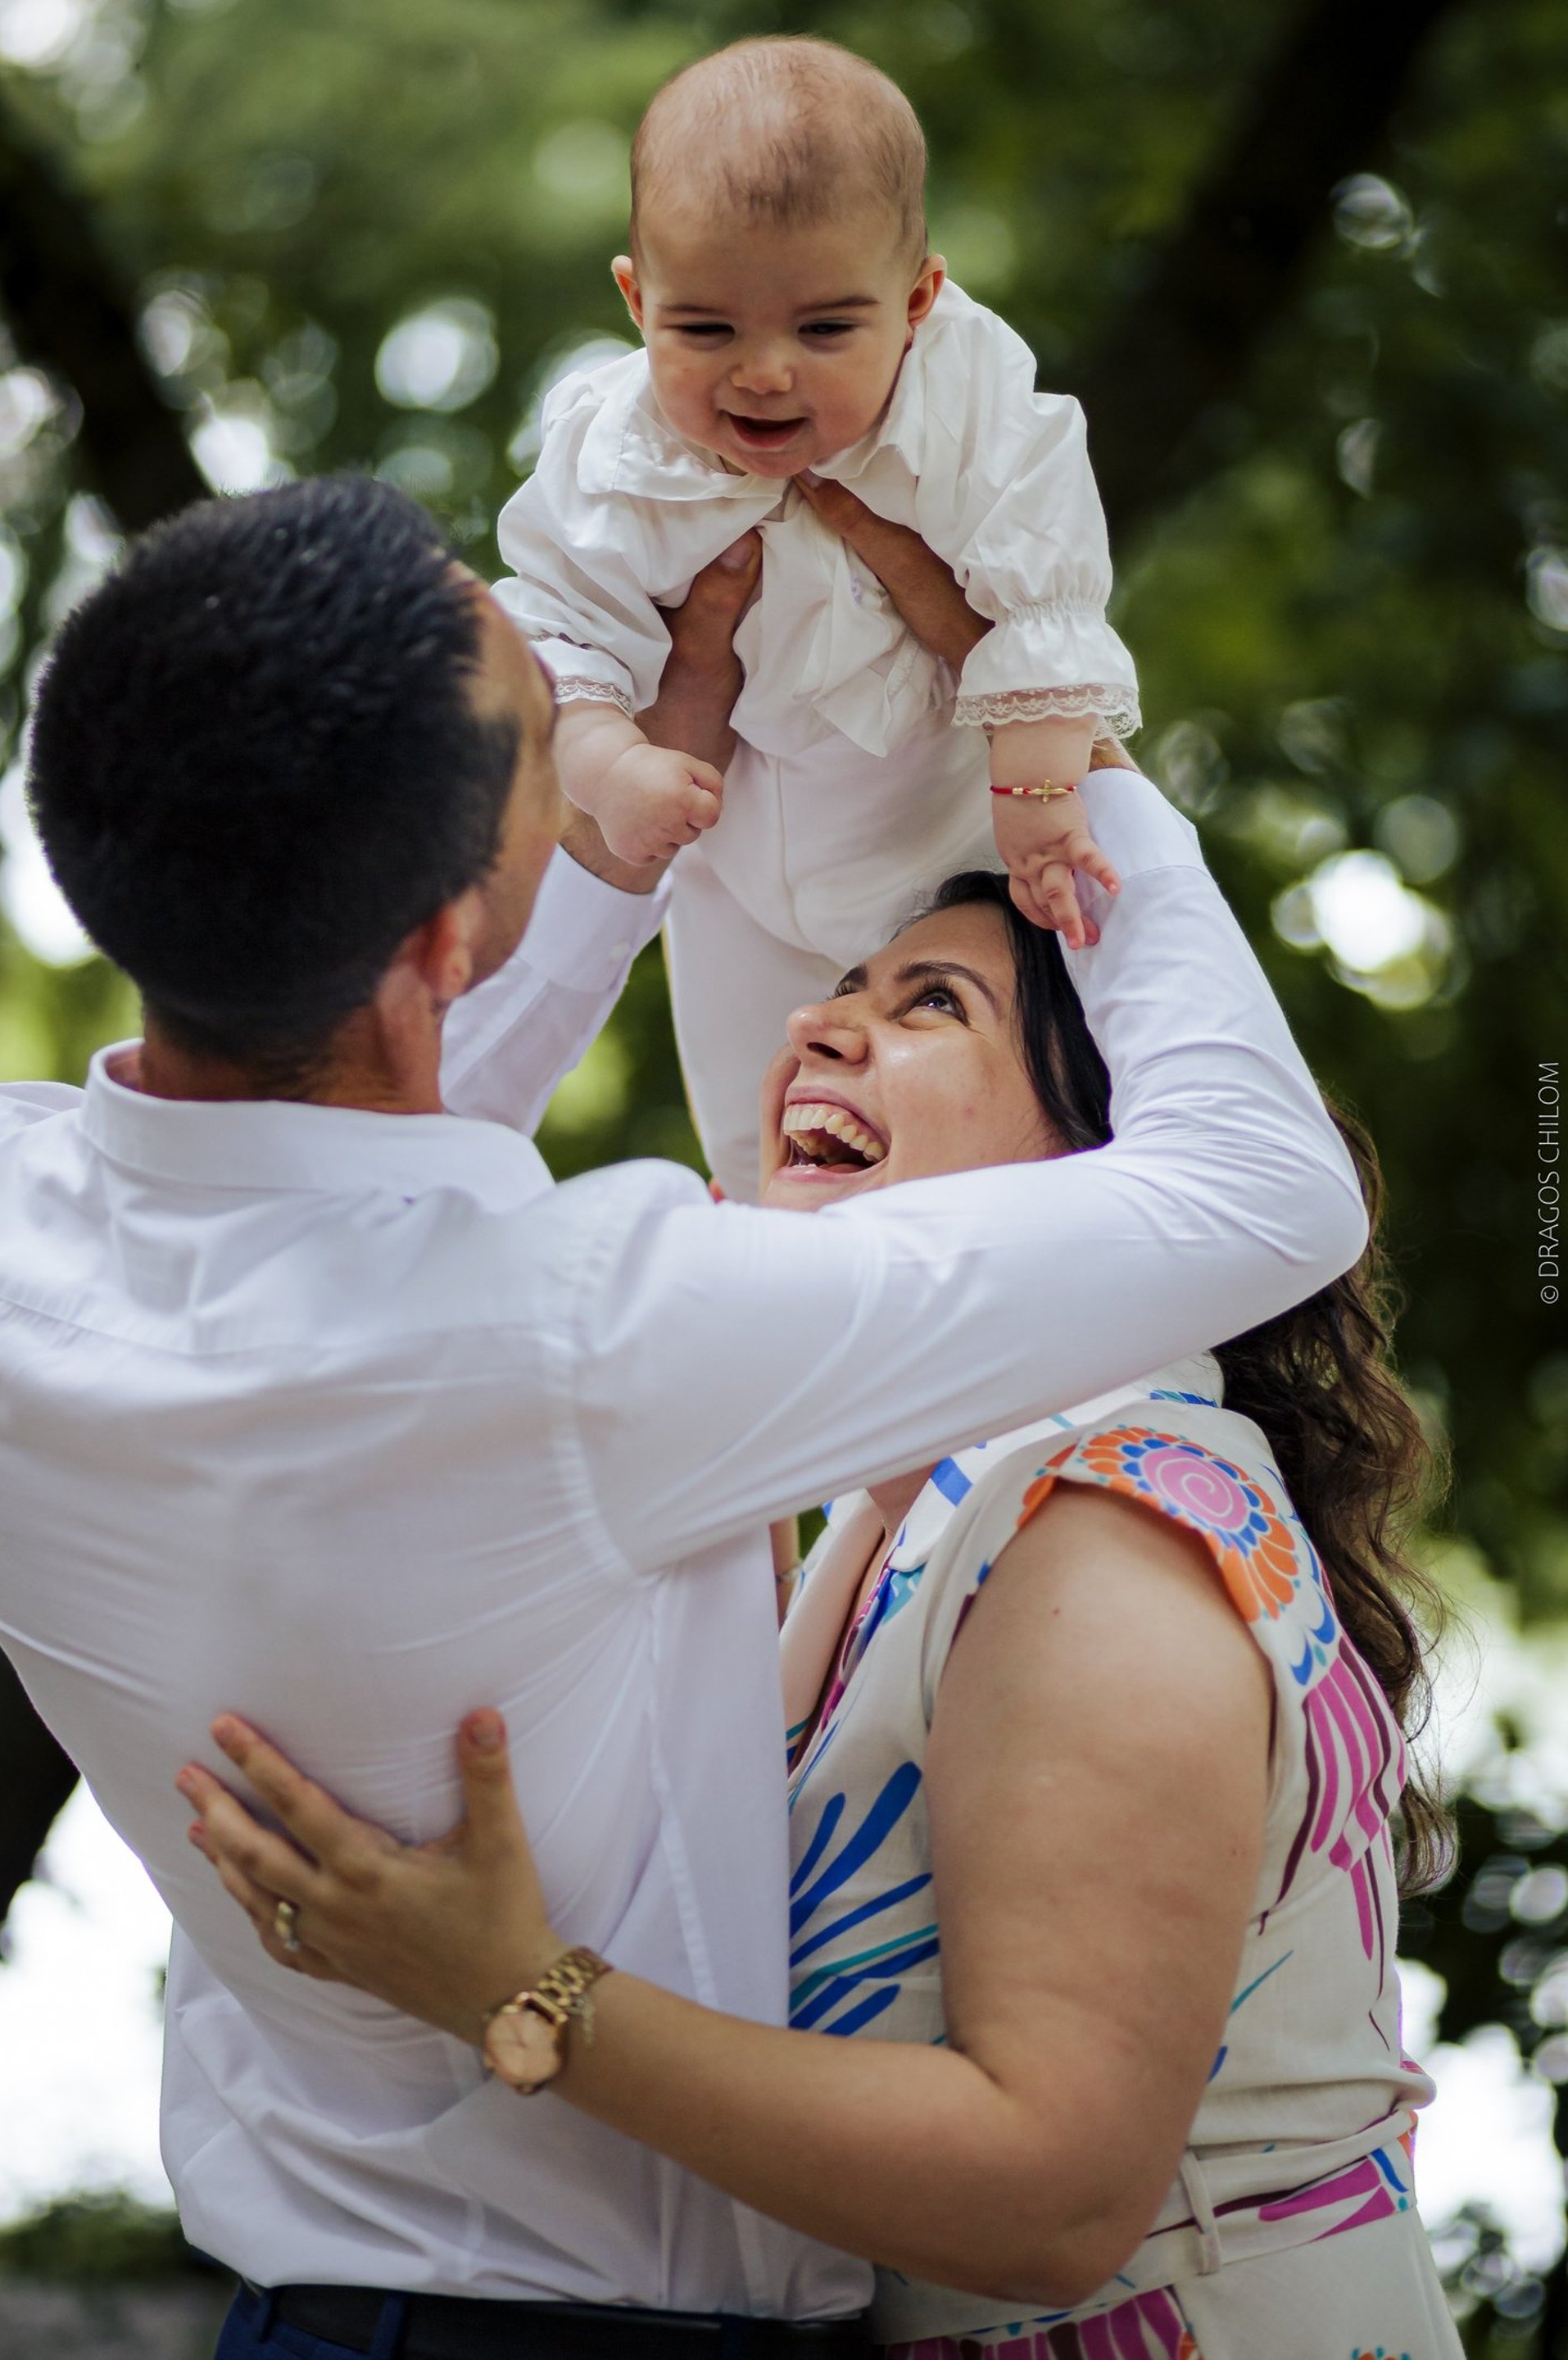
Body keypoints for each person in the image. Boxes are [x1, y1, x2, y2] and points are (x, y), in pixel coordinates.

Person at [0, 470, 1362, 2360]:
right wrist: (1048, 727)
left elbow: (338, 1157)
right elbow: (1268, 1196)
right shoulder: (596, 1339)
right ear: (440, 945)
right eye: (552, 726)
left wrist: (605, 866)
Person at [181, 881, 1461, 2359]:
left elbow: (1052, 2194)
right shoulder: (897, 1519)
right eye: (850, 984)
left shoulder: (1106, 1534)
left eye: (932, 1003)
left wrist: (508, 1993)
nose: (816, 1024)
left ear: (1109, 1170)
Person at [500, 35, 1137, 1198]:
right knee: (760, 1130)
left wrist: (1042, 792)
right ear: (637, 300)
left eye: (826, 331)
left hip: (946, 847)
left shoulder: (970, 408)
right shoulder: (612, 446)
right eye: (706, 332)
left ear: (918, 301)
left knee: (1001, 1117)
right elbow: (561, 632)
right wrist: (608, 764)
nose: (764, 375)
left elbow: (1046, 601)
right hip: (728, 855)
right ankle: (761, 1257)